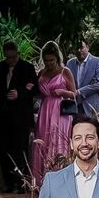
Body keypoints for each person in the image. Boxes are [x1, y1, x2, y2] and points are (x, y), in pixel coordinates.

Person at [0, 40, 37, 194]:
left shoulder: (27, 68)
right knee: (3, 150)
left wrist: (20, 93)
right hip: (2, 118)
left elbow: (34, 88)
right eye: (8, 57)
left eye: (13, 57)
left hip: (20, 118)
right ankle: (8, 182)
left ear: (18, 54)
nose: (11, 60)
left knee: (20, 151)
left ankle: (21, 183)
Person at [31, 41, 76, 189]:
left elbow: (74, 93)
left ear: (57, 58)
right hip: (45, 109)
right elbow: (37, 93)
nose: (49, 63)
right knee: (43, 140)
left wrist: (63, 92)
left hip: (60, 110)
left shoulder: (65, 71)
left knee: (57, 140)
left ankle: (60, 177)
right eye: (46, 60)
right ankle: (41, 180)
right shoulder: (42, 73)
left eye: (52, 60)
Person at [66, 38, 99, 122]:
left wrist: (79, 92)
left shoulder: (98, 61)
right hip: (75, 107)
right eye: (76, 48)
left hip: (93, 106)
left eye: (81, 47)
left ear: (87, 47)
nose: (79, 50)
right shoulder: (70, 63)